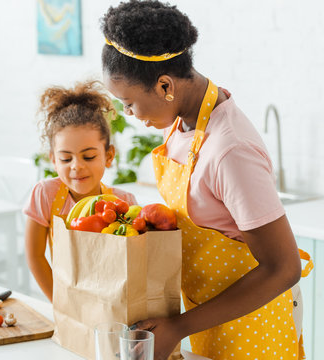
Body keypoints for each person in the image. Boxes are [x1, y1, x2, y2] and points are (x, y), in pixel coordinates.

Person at [100, 1, 313, 359]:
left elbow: (284, 268)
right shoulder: (186, 120)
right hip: (209, 318)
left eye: (129, 103)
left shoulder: (230, 149)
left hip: (254, 330)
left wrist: (180, 326)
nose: (129, 114)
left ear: (165, 85)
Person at [23, 81, 137, 302]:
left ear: (109, 156)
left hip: (112, 301)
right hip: (67, 299)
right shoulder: (45, 194)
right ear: (54, 160)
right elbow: (35, 256)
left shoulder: (124, 201)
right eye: (66, 158)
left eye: (89, 156)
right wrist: (60, 303)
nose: (76, 166)